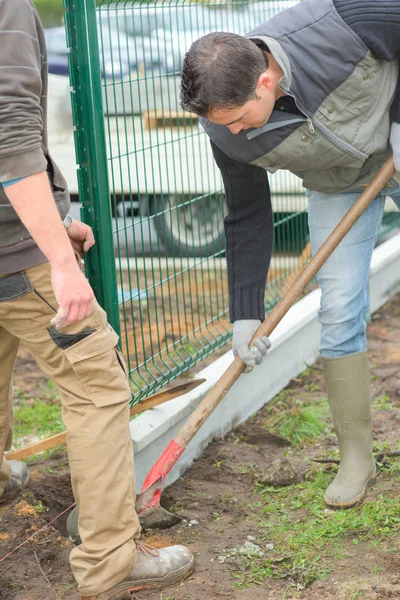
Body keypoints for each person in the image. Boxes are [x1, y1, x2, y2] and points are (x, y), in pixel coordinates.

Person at [0, 1, 194, 598]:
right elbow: (9, 134)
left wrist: (55, 225)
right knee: (96, 386)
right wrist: (58, 258)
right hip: (11, 253)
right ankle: (110, 559)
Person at [180, 0, 400, 509]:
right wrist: (245, 315)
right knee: (340, 308)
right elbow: (247, 216)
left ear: (265, 81)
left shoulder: (341, 23)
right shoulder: (222, 128)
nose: (232, 131)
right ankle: (356, 457)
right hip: (339, 186)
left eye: (237, 119)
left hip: (391, 141)